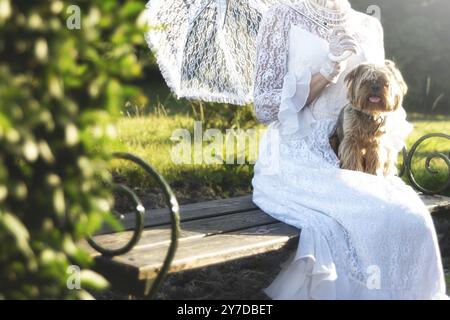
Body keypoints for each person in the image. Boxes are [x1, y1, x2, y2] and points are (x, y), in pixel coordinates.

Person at [252, 0, 448, 299]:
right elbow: (265, 107)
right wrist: (329, 68)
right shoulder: (281, 16)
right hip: (300, 156)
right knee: (377, 215)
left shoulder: (370, 24)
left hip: (362, 152)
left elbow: (383, 97)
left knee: (411, 216)